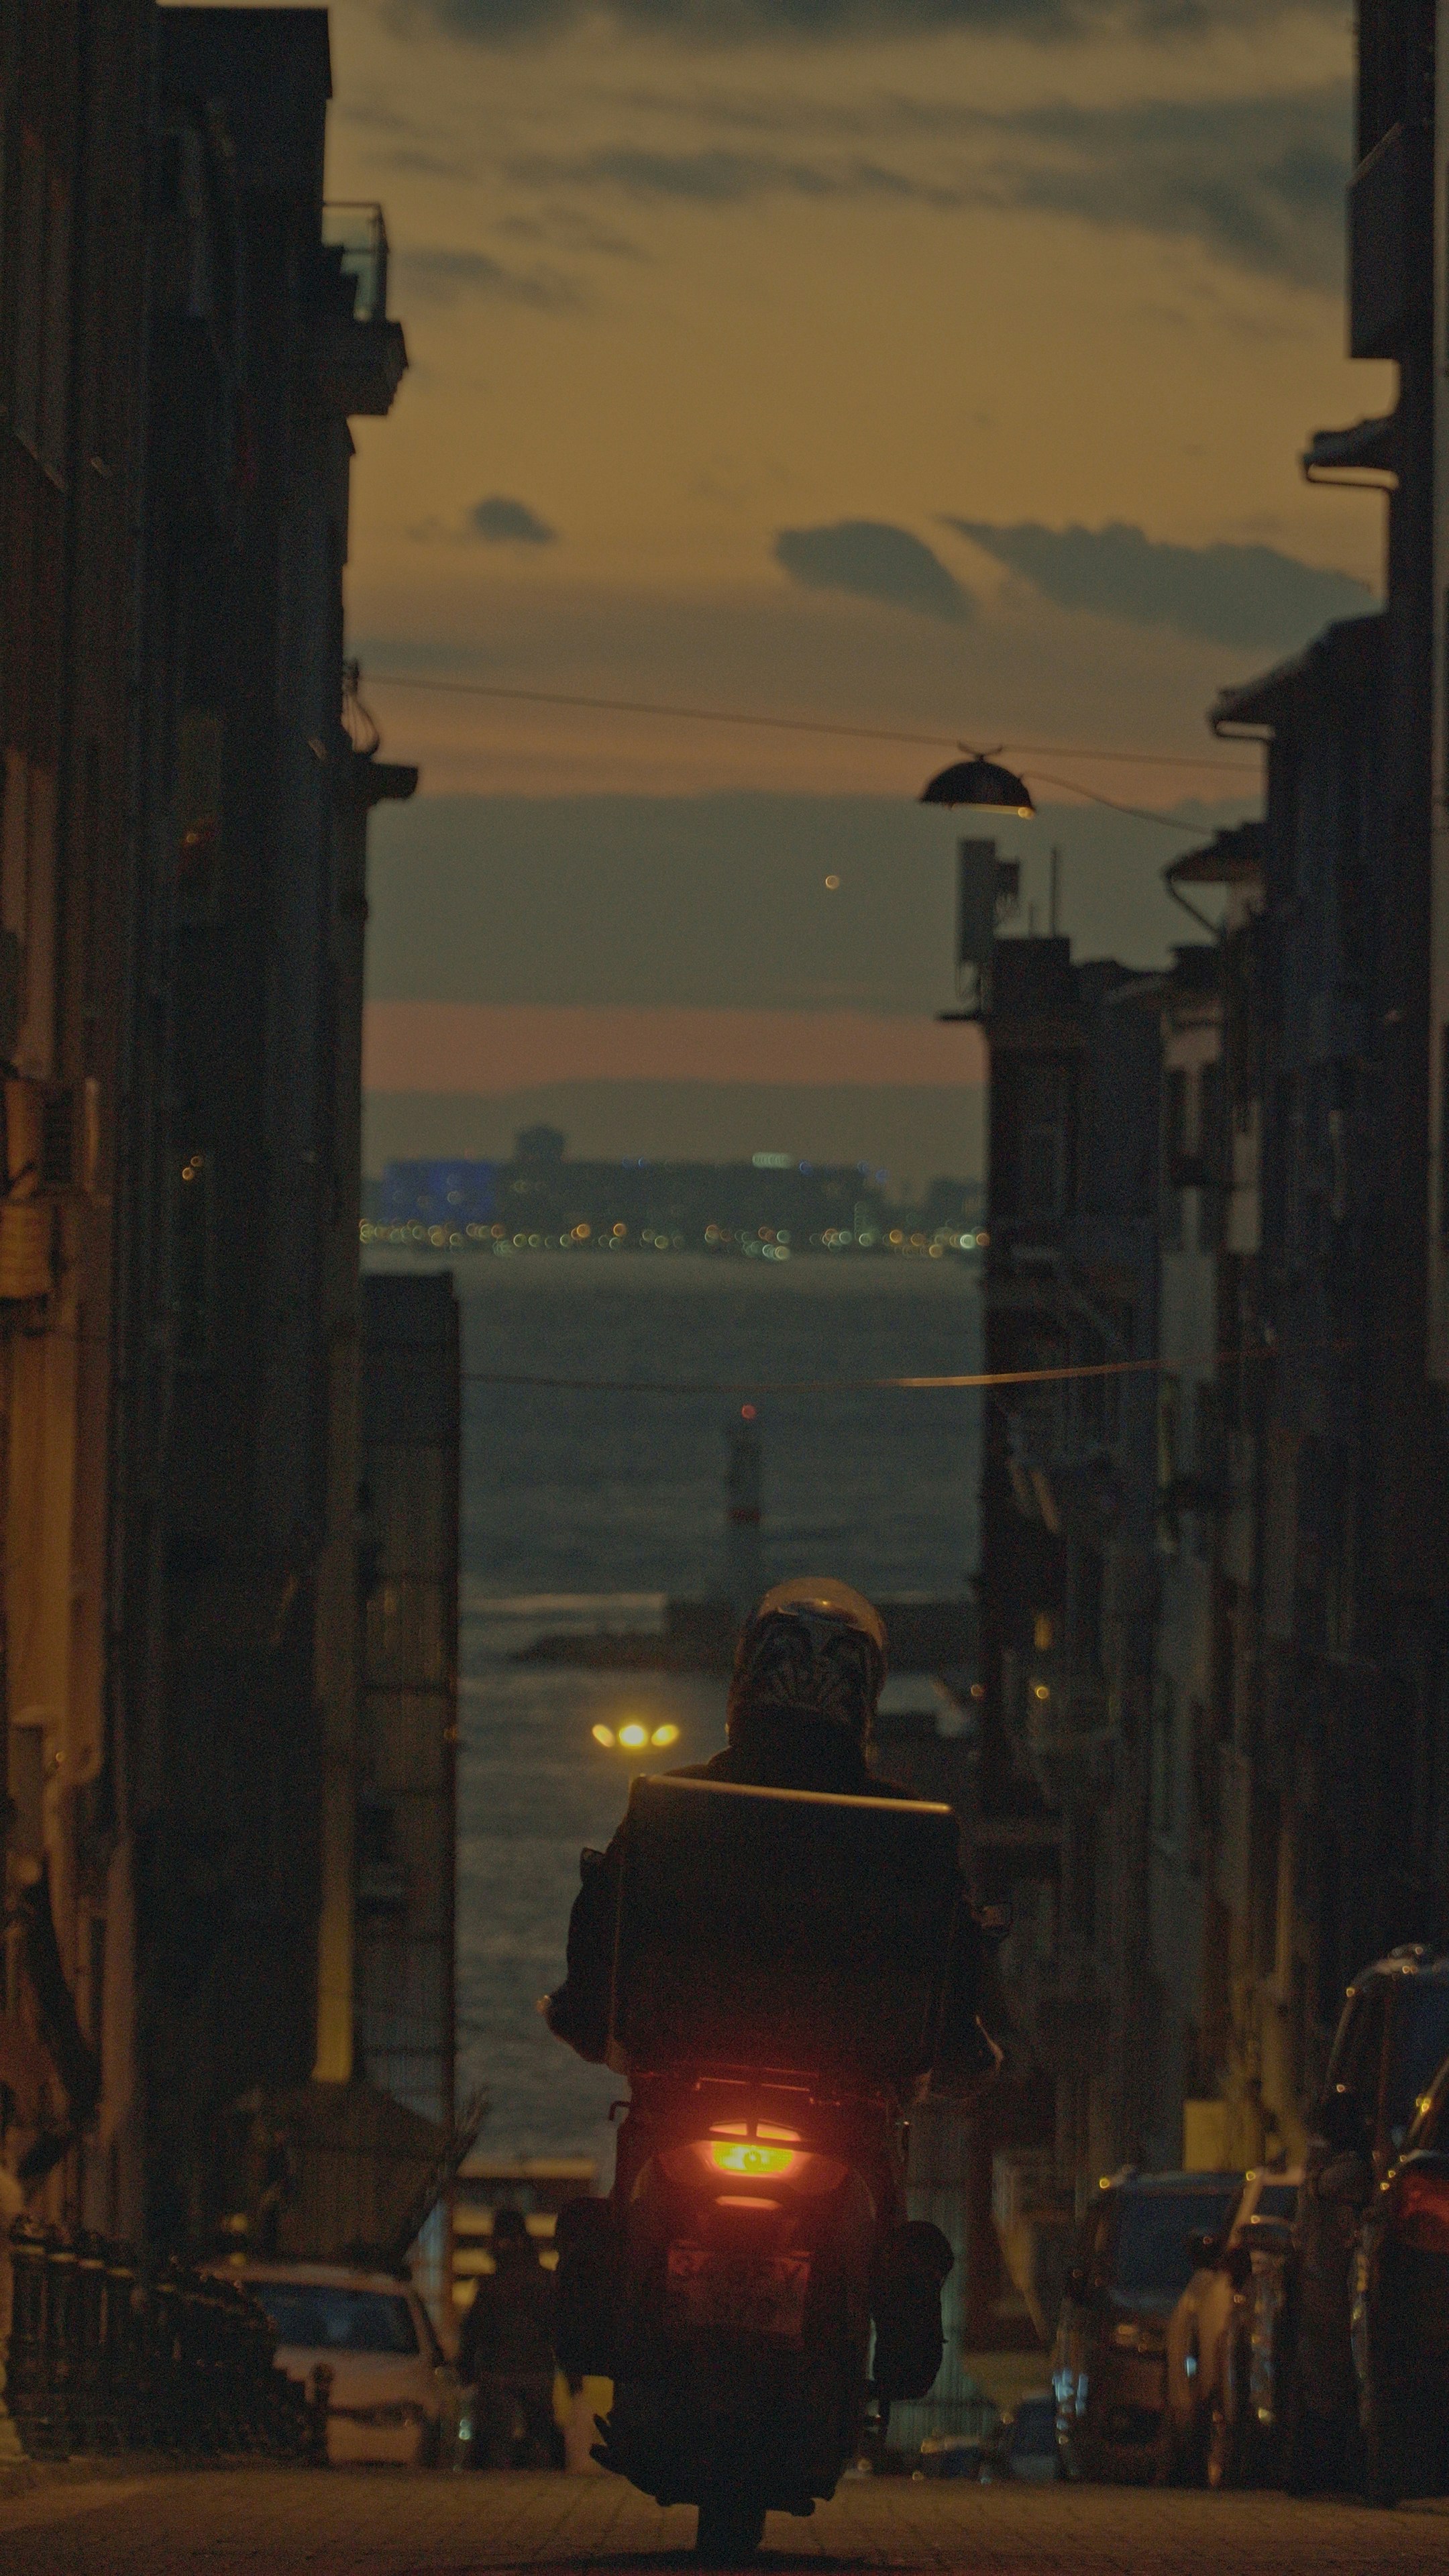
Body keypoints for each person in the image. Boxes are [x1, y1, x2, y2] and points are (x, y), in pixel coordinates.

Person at [543, 1577, 1000, 2401]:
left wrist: (582, 2013)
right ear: (864, 1697)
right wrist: (965, 2046)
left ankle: (612, 2298)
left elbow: (598, 1932)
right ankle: (895, 2302)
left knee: (610, 2214)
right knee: (901, 2238)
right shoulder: (912, 1833)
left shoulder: (669, 1807)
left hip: (683, 2095)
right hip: (841, 2113)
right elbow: (954, 1967)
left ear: (743, 1683)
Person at [458, 2207, 561, 2471]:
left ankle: (499, 2489)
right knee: (539, 2439)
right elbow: (558, 2329)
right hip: (537, 2370)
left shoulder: (491, 2286)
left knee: (496, 2443)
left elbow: (473, 2331)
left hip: (497, 2371)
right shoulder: (545, 2281)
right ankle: (538, 2488)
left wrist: (466, 2369)